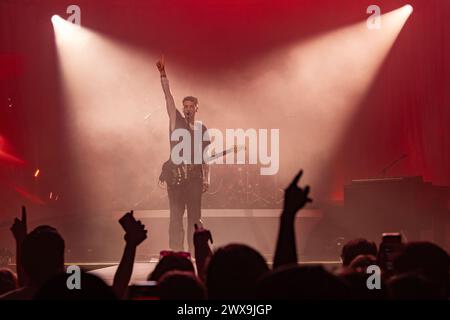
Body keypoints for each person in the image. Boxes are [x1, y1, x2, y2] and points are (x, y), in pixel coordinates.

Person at [157, 56, 210, 253]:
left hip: (195, 177)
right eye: (185, 106)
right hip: (177, 178)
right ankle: (177, 252)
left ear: (196, 108)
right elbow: (168, 97)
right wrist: (163, 74)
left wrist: (207, 178)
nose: (187, 109)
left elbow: (206, 156)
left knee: (195, 217)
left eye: (191, 107)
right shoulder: (175, 120)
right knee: (176, 216)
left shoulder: (201, 128)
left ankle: (196, 252)